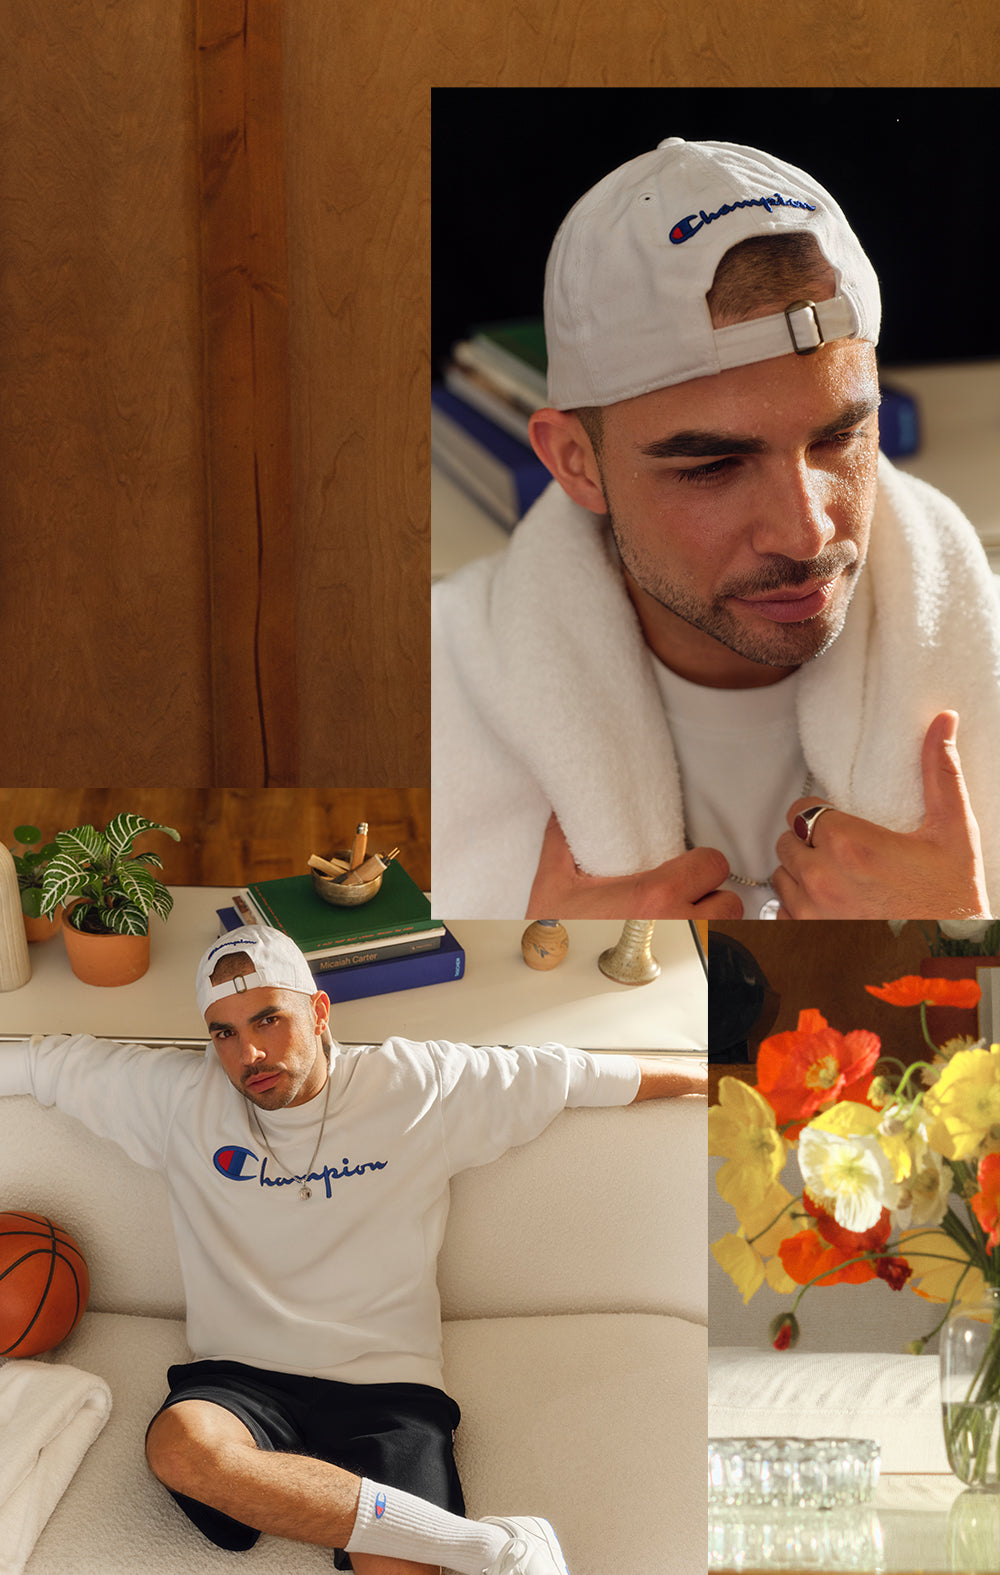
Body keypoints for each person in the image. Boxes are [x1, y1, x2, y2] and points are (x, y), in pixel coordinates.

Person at [0, 925, 704, 1575]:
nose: (249, 1054)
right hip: (241, 1377)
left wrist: (722, 1080)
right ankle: (492, 1546)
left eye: (269, 1019)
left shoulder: (415, 1085)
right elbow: (41, 1067)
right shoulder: (177, 1100)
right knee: (178, 1445)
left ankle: (365, 1516)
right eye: (225, 1032)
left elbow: (577, 1075)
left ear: (319, 1009)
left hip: (387, 1388)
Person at [432, 137, 1000, 920]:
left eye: (840, 437)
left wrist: (960, 939)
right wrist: (544, 984)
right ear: (575, 462)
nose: (805, 535)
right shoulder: (436, 698)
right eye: (712, 467)